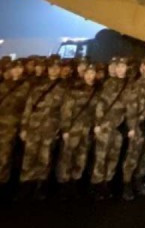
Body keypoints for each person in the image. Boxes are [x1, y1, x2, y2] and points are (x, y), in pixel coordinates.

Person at [19, 56, 66, 199]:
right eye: (52, 67)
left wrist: (60, 128)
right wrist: (24, 127)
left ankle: (40, 185)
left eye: (57, 68)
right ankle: (26, 184)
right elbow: (28, 107)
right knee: (29, 157)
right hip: (33, 127)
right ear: (48, 69)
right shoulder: (38, 85)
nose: (54, 70)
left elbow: (64, 111)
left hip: (50, 128)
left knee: (45, 158)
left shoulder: (63, 88)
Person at [91, 57, 133, 200]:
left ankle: (107, 181)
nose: (121, 69)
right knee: (101, 154)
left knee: (114, 155)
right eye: (118, 67)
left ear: (127, 68)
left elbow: (131, 107)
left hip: (120, 125)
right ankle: (97, 183)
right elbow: (101, 104)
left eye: (123, 67)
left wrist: (129, 125)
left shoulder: (130, 84)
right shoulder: (108, 83)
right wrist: (97, 123)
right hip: (106, 123)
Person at [56, 63, 99, 197]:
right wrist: (65, 129)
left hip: (87, 129)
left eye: (93, 73)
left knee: (81, 156)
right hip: (73, 128)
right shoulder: (74, 89)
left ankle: (75, 180)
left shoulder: (97, 90)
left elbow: (97, 111)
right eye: (88, 73)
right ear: (83, 74)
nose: (90, 76)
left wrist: (95, 126)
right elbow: (66, 110)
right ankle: (63, 182)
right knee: (67, 155)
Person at [122, 55, 145, 200]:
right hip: (138, 124)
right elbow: (131, 107)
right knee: (133, 155)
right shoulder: (136, 84)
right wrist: (131, 127)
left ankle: (139, 182)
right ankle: (126, 184)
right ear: (142, 67)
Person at [0, 59, 31, 196]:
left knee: (6, 156)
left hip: (13, 126)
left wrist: (24, 127)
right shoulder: (3, 86)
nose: (17, 71)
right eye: (14, 68)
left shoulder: (26, 86)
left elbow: (27, 108)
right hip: (1, 124)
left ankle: (4, 183)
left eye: (19, 68)